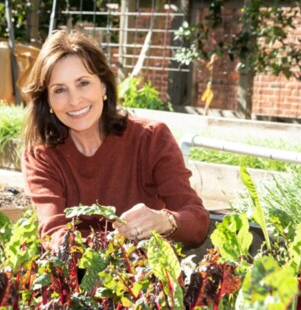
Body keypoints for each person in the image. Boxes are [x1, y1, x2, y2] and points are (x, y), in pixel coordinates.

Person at [20, 29, 209, 250]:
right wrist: (107, 247)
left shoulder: (151, 139)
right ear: (48, 101)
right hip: (74, 279)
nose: (74, 100)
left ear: (103, 85)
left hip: (144, 280)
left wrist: (165, 221)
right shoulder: (41, 155)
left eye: (83, 83)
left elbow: (197, 222)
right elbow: (53, 233)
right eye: (60, 90)